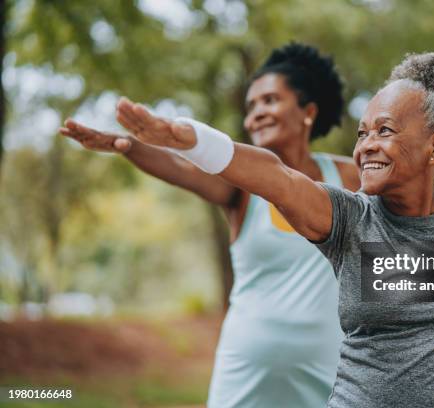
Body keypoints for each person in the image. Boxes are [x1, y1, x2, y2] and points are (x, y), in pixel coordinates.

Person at [109, 51, 434, 408]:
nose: (366, 145)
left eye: (385, 131)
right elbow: (276, 176)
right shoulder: (347, 220)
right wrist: (194, 141)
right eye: (362, 132)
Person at [60, 43, 360, 408]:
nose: (256, 115)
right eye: (251, 107)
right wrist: (129, 146)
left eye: (269, 100)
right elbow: (183, 169)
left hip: (329, 368)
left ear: (308, 111)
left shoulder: (347, 177)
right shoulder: (243, 190)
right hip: (247, 369)